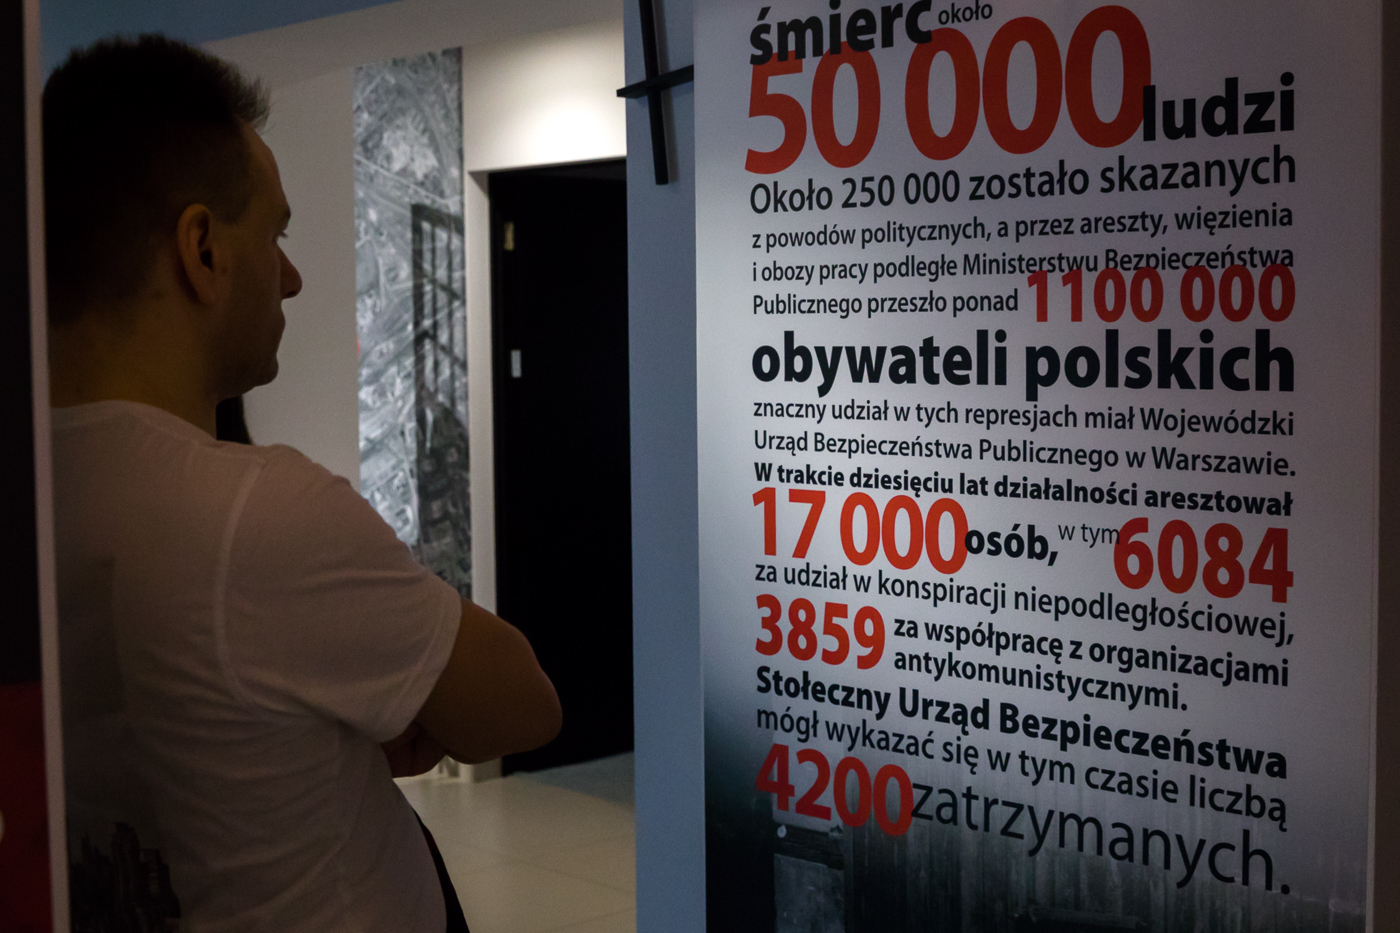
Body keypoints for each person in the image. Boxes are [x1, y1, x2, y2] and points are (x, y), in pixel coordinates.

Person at [45, 35, 561, 932]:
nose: (291, 277)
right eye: (275, 235)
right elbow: (521, 705)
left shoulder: (35, 490)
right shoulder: (260, 514)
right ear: (202, 250)